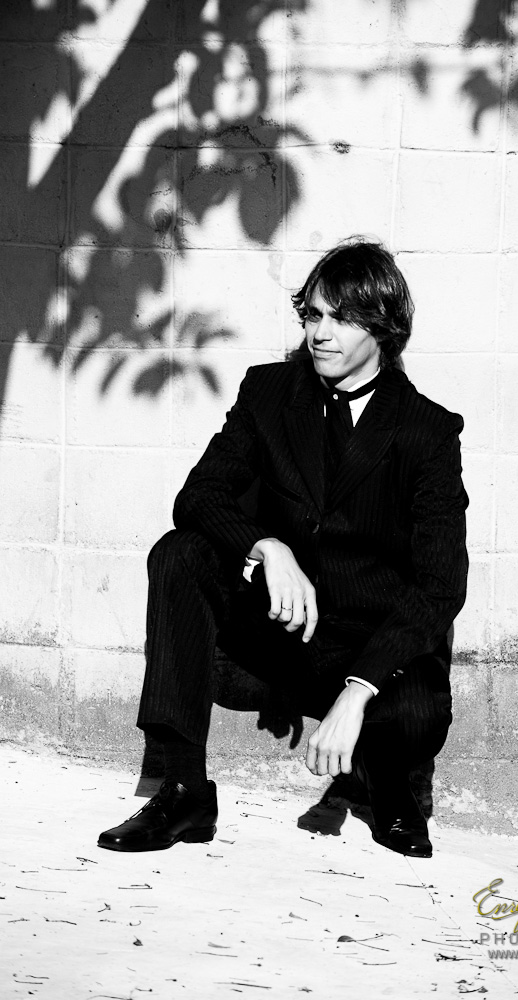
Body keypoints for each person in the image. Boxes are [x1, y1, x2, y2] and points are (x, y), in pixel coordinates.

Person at [97, 238, 469, 859]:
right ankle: (183, 789)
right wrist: (265, 546)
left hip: (366, 646)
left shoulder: (427, 431)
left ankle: (388, 782)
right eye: (313, 315)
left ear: (383, 327)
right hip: (279, 633)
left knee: (415, 712)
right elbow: (199, 496)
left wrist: (359, 689)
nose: (320, 333)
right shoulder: (269, 392)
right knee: (179, 553)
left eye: (341, 319)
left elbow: (440, 585)